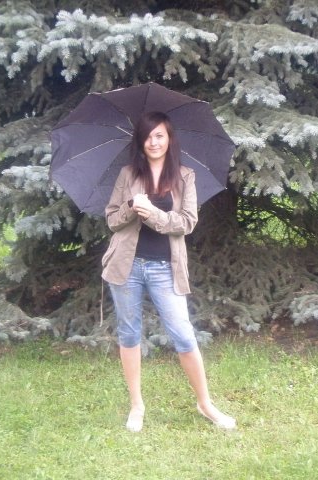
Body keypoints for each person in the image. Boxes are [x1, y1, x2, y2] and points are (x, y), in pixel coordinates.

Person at [102, 111, 235, 432]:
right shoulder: (127, 174)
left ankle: (205, 404)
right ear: (141, 141)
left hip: (165, 267)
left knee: (184, 335)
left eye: (159, 135)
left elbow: (187, 222)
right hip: (126, 265)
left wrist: (152, 214)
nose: (154, 142)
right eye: (148, 137)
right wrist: (131, 207)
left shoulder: (185, 176)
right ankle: (136, 405)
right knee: (129, 334)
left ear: (169, 138)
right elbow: (111, 219)